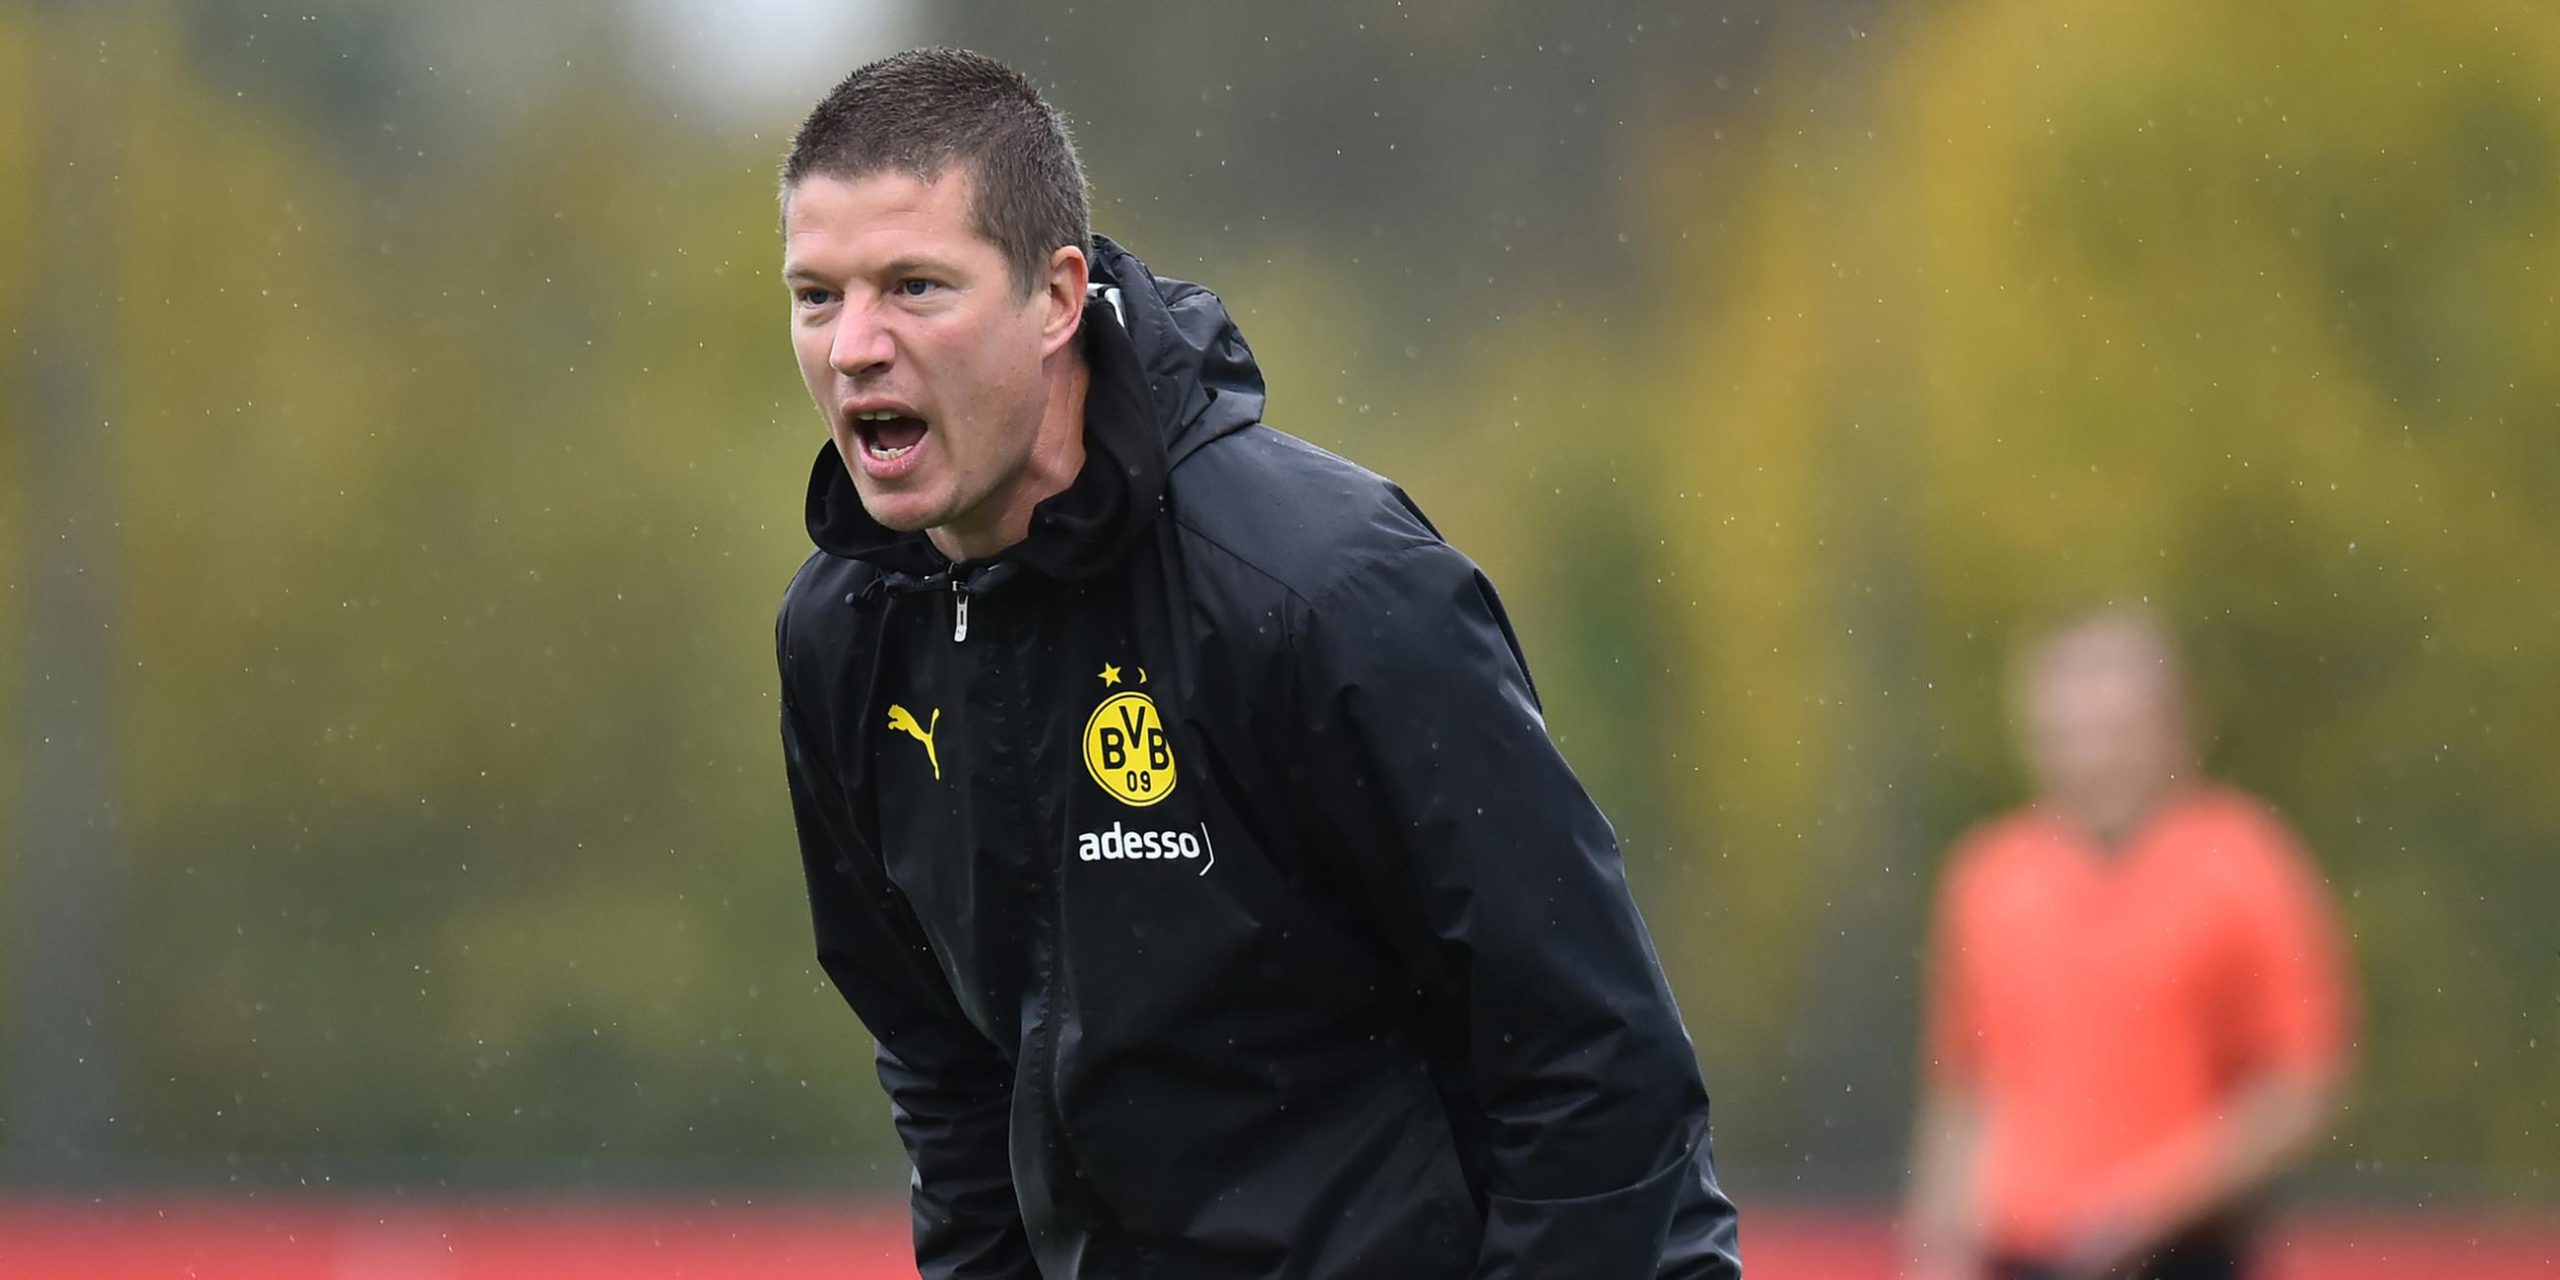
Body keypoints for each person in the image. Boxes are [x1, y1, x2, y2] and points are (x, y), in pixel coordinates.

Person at [769, 49, 1742, 1280]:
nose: (855, 345)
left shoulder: (1325, 589)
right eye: (817, 296)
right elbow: (947, 1073)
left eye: (915, 286)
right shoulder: (844, 636)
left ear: (1056, 296)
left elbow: (1592, 1064)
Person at [1902, 611, 2357, 1280]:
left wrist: (2153, 1203)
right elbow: (1964, 1091)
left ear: (2175, 729)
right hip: (2021, 1255)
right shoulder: (1989, 876)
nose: (2091, 755)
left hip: (2183, 1254)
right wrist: (1938, 1252)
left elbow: (2303, 1086)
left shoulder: (2246, 864)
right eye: (2067, 731)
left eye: (2112, 729)